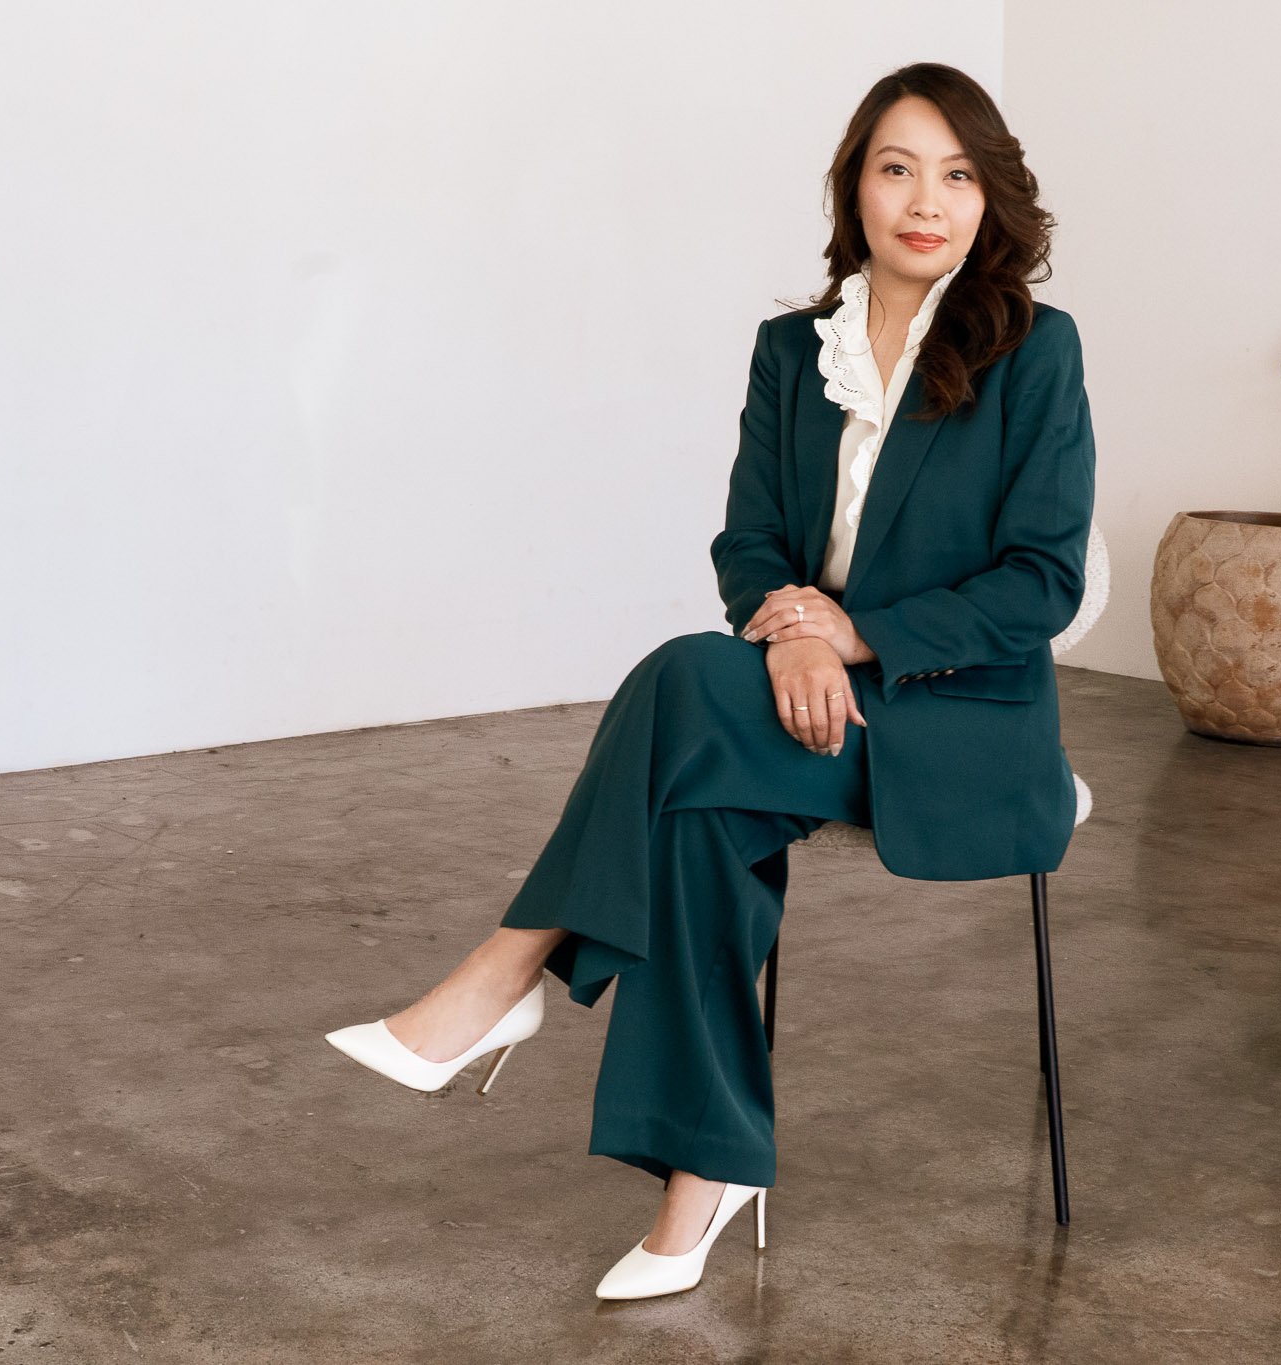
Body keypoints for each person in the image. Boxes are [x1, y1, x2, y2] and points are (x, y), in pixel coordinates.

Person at [324, 61, 1097, 1301]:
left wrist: (843, 637)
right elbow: (748, 544)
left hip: (954, 718)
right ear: (855, 186)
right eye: (896, 167)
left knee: (683, 685)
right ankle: (705, 1178)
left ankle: (507, 974)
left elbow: (1038, 585)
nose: (925, 199)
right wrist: (787, 630)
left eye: (956, 175)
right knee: (697, 807)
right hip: (801, 700)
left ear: (990, 198)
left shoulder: (1031, 352)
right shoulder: (793, 351)